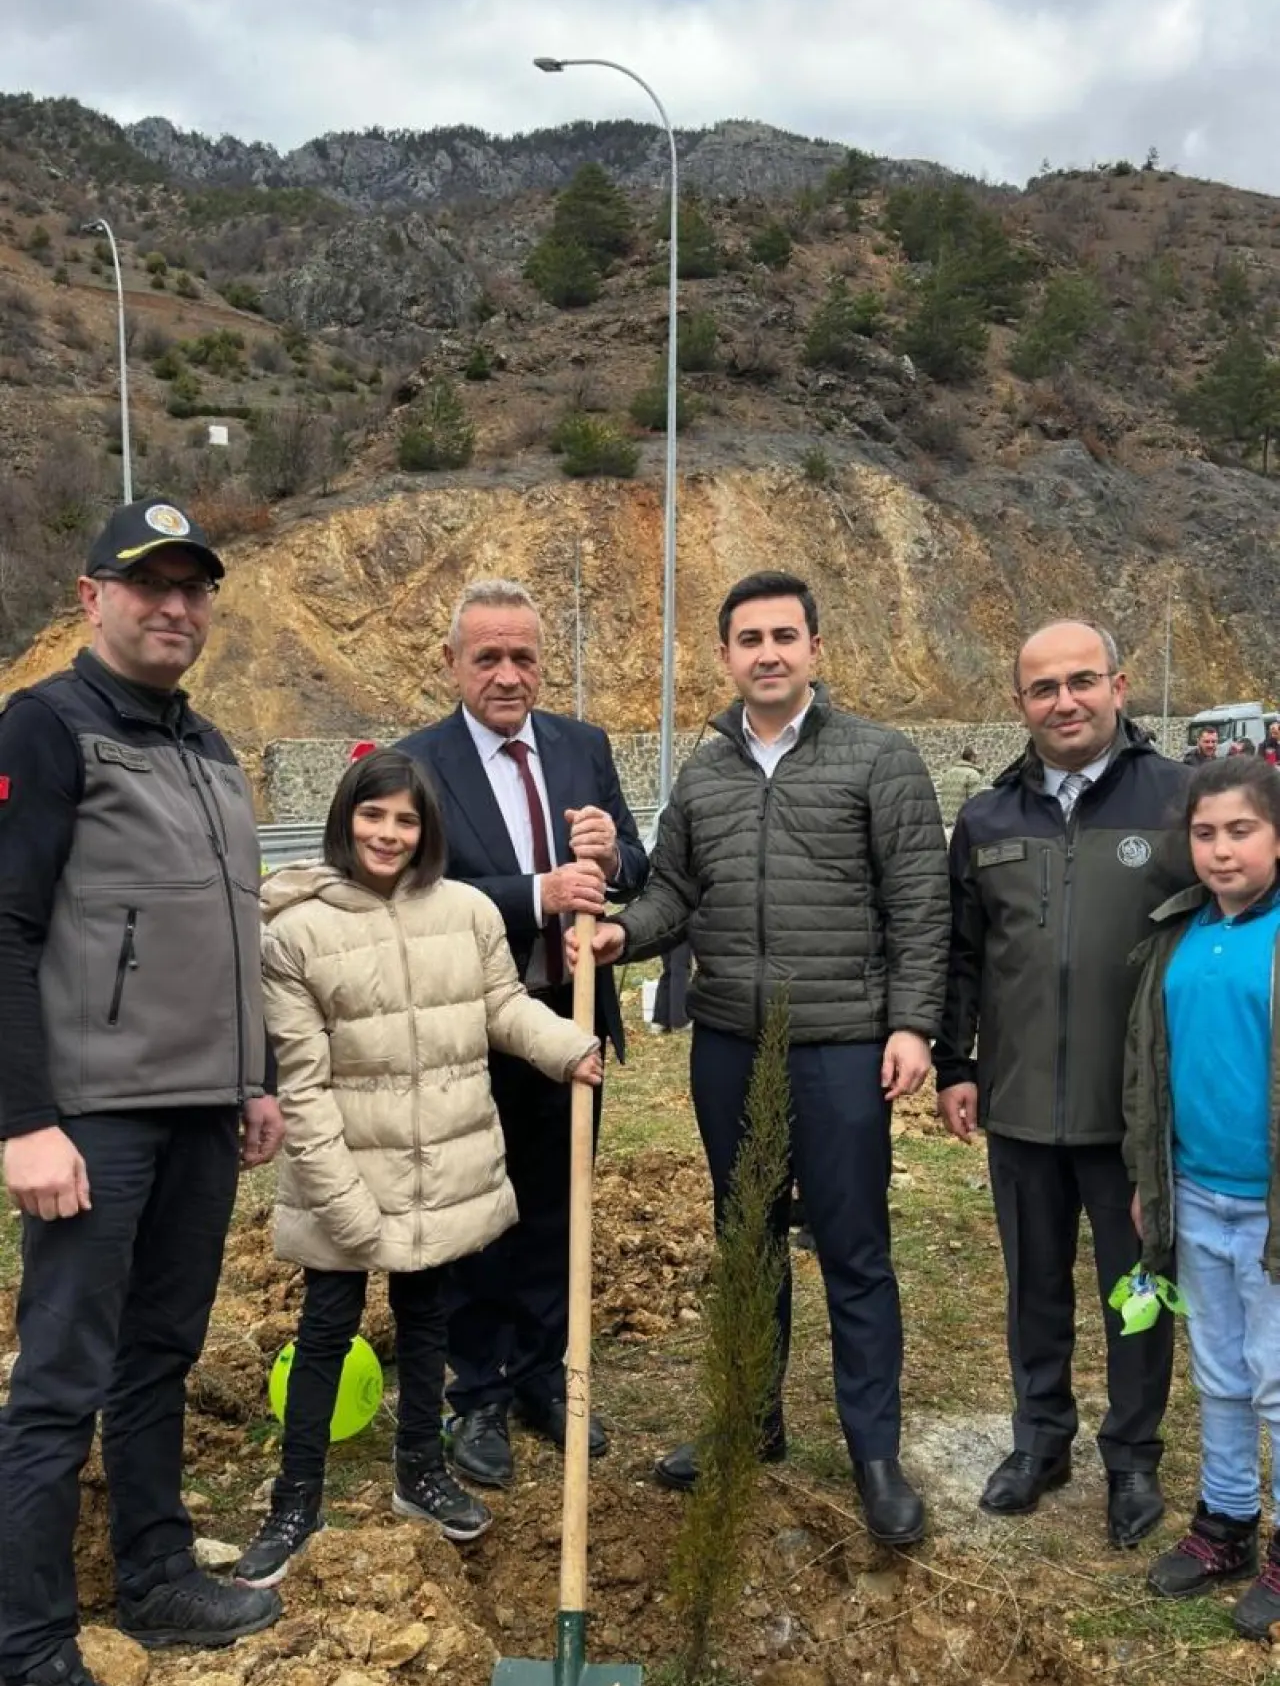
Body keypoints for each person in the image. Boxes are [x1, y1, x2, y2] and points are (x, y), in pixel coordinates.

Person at [0, 498, 285, 1686]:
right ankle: (27, 1659)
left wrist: (256, 1074)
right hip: (94, 1120)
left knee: (161, 1352)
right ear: (91, 597)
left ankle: (157, 1573)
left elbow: (226, 935)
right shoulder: (48, 730)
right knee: (60, 1379)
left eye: (193, 589)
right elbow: (5, 932)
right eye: (148, 585)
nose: (175, 606)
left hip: (201, 1111)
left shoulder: (208, 747)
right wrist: (23, 1122)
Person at [581, 569, 949, 1546]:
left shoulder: (880, 759)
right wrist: (624, 934)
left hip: (837, 1047)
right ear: (725, 656)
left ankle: (873, 1450)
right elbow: (670, 892)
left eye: (784, 635)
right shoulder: (702, 774)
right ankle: (750, 1419)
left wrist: (912, 1024)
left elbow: (919, 906)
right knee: (744, 1240)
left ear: (815, 649)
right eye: (748, 638)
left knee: (853, 1250)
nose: (768, 652)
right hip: (731, 1046)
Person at [234, 750, 602, 1587]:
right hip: (347, 1169)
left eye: (405, 819)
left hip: (444, 1161)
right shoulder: (293, 932)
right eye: (373, 816)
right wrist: (349, 1211)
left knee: (428, 1318)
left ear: (425, 828)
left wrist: (567, 1049)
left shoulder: (467, 911)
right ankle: (296, 1499)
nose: (388, 834)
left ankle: (419, 1474)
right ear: (345, 820)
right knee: (326, 1330)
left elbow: (502, 1007)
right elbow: (302, 1081)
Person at [935, 620, 1190, 1547]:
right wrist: (957, 1065)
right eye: (1044, 688)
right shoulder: (988, 817)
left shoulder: (1178, 802)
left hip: (1134, 1115)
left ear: (1119, 686)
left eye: (1082, 681)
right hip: (1021, 1109)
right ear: (1020, 704)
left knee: (1139, 1290)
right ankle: (1040, 1441)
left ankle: (1132, 1458)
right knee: (1034, 1285)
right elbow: (964, 957)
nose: (1065, 701)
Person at [397, 580, 648, 1491]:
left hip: (570, 1020)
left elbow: (634, 866)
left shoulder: (583, 747)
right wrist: (530, 894)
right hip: (474, 1034)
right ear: (453, 663)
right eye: (488, 657)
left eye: (524, 657)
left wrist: (615, 858)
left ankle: (547, 1377)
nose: (508, 675)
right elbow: (409, 894)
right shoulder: (415, 765)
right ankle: (482, 1394)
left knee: (559, 1208)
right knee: (476, 1219)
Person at [1125, 758, 1280, 1638]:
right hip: (1196, 1193)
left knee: (1277, 1379)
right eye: (1206, 834)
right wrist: (1155, 1184)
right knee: (1218, 1370)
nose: (1222, 852)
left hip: (1269, 1209)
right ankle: (1225, 1520)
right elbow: (1149, 1071)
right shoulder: (1177, 937)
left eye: (1242, 831)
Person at [935, 745, 987, 827]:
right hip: (962, 823)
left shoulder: (949, 772)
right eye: (976, 756)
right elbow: (975, 801)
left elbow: (940, 787)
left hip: (946, 821)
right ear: (972, 757)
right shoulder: (972, 774)